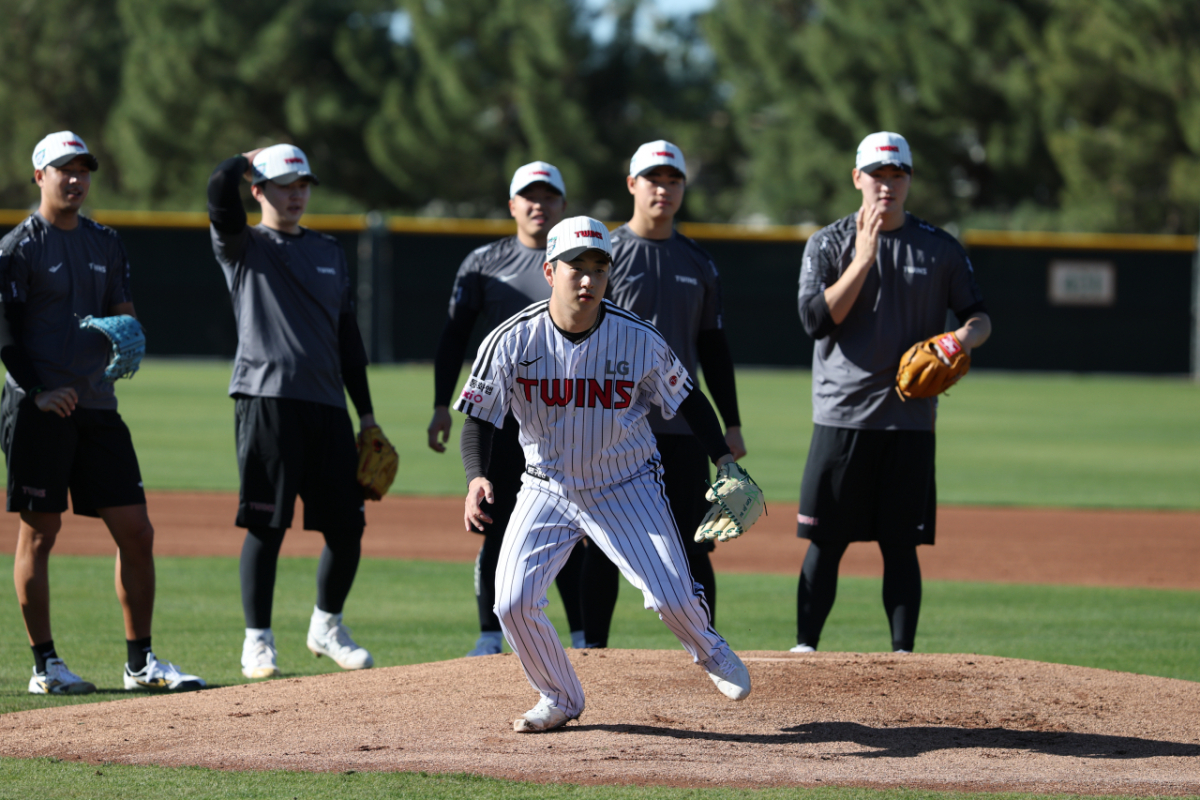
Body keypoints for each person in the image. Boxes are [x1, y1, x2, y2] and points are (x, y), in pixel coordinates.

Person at [456, 216, 751, 733]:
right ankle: (559, 695)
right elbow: (479, 418)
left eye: (599, 266)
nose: (588, 279)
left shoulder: (637, 339)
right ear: (550, 271)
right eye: (576, 267)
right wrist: (476, 476)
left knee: (670, 597)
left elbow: (689, 400)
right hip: (546, 487)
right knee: (512, 601)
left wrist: (724, 459)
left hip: (626, 484)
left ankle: (709, 647)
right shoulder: (510, 340)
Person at [1, 131, 205, 694]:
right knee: (40, 534)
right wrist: (39, 389)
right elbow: (6, 334)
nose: (75, 179)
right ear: (39, 175)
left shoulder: (106, 243)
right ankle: (46, 666)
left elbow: (123, 312)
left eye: (84, 170)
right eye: (63, 169)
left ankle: (140, 664)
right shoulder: (18, 246)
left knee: (136, 532)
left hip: (96, 403)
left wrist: (130, 334)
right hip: (38, 408)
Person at [793, 131, 992, 653]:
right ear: (857, 177)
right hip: (842, 416)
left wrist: (958, 341)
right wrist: (862, 259)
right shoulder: (829, 243)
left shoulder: (940, 249)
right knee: (825, 542)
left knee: (901, 545)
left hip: (909, 420)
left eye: (897, 174)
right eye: (877, 174)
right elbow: (815, 320)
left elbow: (980, 316)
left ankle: (903, 653)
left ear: (909, 181)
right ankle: (805, 649)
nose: (887, 184)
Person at [208, 143, 385, 679]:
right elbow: (218, 192)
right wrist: (242, 160)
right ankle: (256, 641)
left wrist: (368, 416)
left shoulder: (330, 251)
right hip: (266, 400)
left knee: (347, 527)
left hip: (328, 406)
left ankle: (326, 626)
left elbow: (348, 339)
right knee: (267, 525)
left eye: (303, 183)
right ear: (258, 189)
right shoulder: (242, 245)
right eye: (284, 183)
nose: (297, 193)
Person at [579, 140, 745, 648]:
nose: (664, 189)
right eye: (653, 178)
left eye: (673, 180)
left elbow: (713, 347)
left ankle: (706, 642)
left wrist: (730, 424)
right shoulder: (602, 253)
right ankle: (593, 648)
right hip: (612, 427)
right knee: (601, 543)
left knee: (694, 544)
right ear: (632, 185)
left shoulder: (698, 261)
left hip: (681, 429)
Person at [427, 163, 584, 657]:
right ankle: (489, 633)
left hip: (564, 418)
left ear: (562, 204)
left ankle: (581, 633)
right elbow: (453, 337)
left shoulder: (580, 260)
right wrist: (440, 405)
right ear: (513, 204)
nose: (539, 205)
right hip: (500, 418)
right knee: (495, 520)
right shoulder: (483, 262)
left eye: (549, 196)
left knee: (574, 524)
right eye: (529, 196)